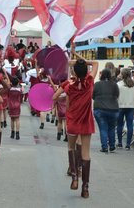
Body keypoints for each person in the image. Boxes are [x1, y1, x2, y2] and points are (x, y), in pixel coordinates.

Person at [53, 43, 98, 198]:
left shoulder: (68, 84)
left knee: (71, 148)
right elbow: (95, 63)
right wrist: (77, 57)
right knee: (86, 153)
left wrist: (70, 62)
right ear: (86, 71)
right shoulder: (90, 81)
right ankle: (85, 188)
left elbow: (54, 97)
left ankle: (74, 178)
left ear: (73, 71)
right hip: (86, 121)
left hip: (72, 119)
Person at [92, 69, 119, 153]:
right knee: (111, 128)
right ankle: (112, 146)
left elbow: (93, 96)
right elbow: (117, 95)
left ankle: (104, 147)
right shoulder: (114, 85)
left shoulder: (97, 84)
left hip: (100, 109)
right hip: (113, 109)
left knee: (103, 128)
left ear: (102, 75)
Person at [116, 68, 134, 150]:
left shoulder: (119, 84)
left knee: (120, 125)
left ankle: (120, 143)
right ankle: (128, 144)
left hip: (120, 106)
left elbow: (116, 96)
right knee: (130, 125)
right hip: (131, 107)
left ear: (122, 75)